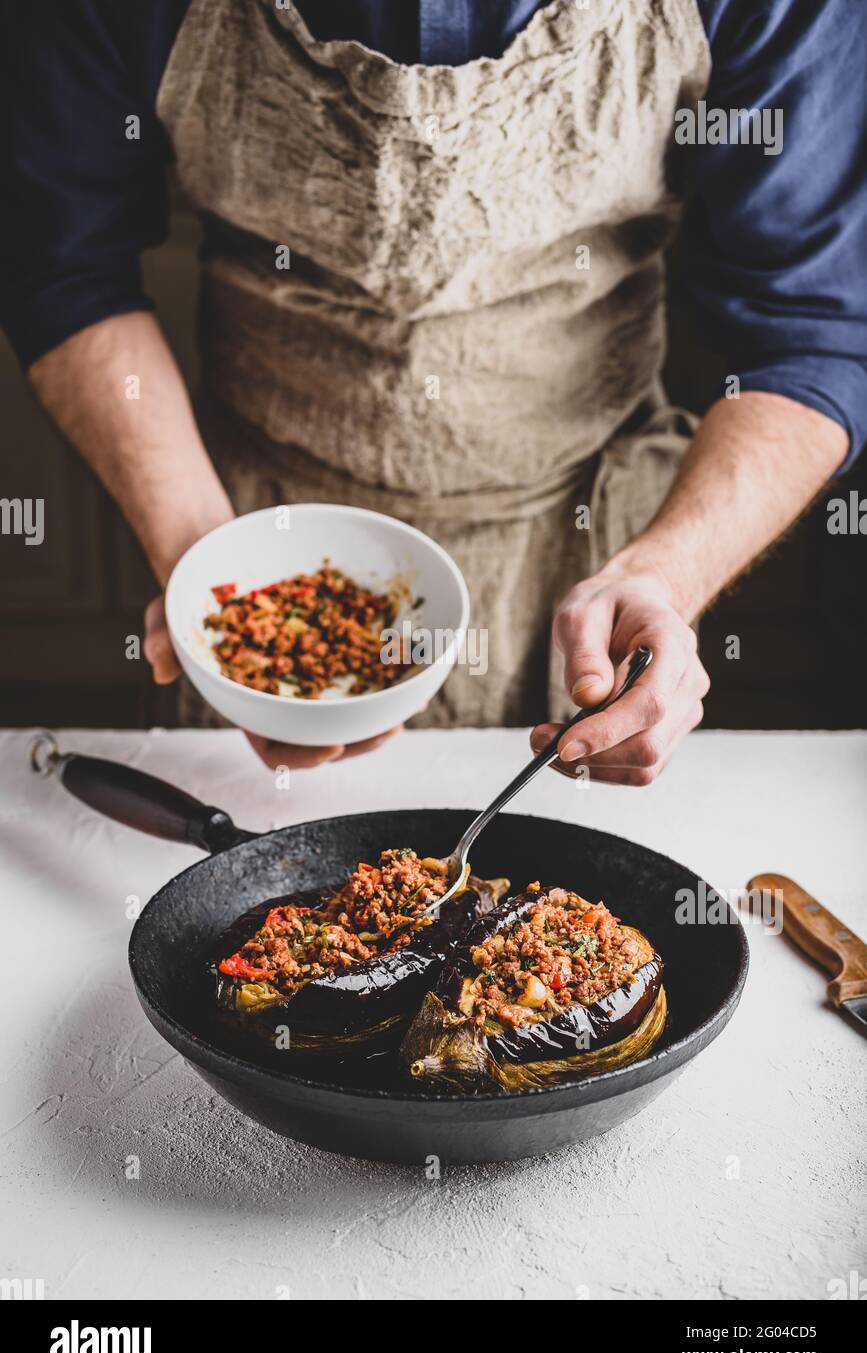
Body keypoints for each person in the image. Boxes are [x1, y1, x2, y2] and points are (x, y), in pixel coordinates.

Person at [2, 2, 864, 783]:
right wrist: (207, 563)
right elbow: (64, 268)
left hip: (595, 537)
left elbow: (810, 328)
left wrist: (667, 576)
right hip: (246, 523)